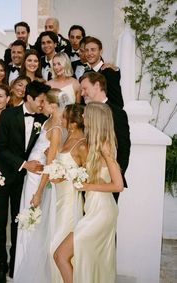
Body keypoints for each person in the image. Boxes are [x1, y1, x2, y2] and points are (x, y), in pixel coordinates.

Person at [54, 102, 124, 283]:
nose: (82, 117)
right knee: (87, 259)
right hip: (93, 208)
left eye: (86, 115)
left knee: (61, 255)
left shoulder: (105, 146)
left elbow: (118, 186)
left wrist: (87, 186)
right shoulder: (93, 143)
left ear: (94, 119)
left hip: (102, 211)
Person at [0, 80, 51, 283]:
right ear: (29, 98)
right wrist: (24, 164)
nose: (42, 104)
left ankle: (14, 265)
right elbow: (0, 147)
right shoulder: (8, 115)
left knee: (19, 221)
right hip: (3, 175)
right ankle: (0, 263)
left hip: (26, 182)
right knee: (0, 221)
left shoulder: (44, 119)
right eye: (41, 100)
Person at [14, 88, 62, 283]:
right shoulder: (46, 122)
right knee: (26, 223)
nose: (40, 105)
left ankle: (32, 273)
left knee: (33, 223)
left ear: (53, 105)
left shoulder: (57, 129)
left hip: (38, 182)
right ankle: (21, 269)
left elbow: (50, 165)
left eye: (44, 102)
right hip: (30, 177)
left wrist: (39, 192)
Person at [50, 104, 87, 283]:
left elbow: (88, 175)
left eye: (64, 117)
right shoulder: (67, 139)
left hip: (70, 202)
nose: (62, 120)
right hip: (58, 199)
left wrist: (65, 175)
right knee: (53, 244)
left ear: (72, 123)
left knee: (57, 247)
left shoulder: (81, 144)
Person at [80, 71, 130, 202]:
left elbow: (124, 150)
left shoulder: (118, 114)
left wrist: (112, 179)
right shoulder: (83, 113)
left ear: (97, 85)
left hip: (108, 183)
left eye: (85, 89)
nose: (82, 93)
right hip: (87, 182)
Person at [84, 36, 124, 108]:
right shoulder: (86, 73)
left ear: (100, 51)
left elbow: (118, 102)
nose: (89, 53)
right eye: (86, 50)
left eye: (93, 50)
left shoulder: (108, 72)